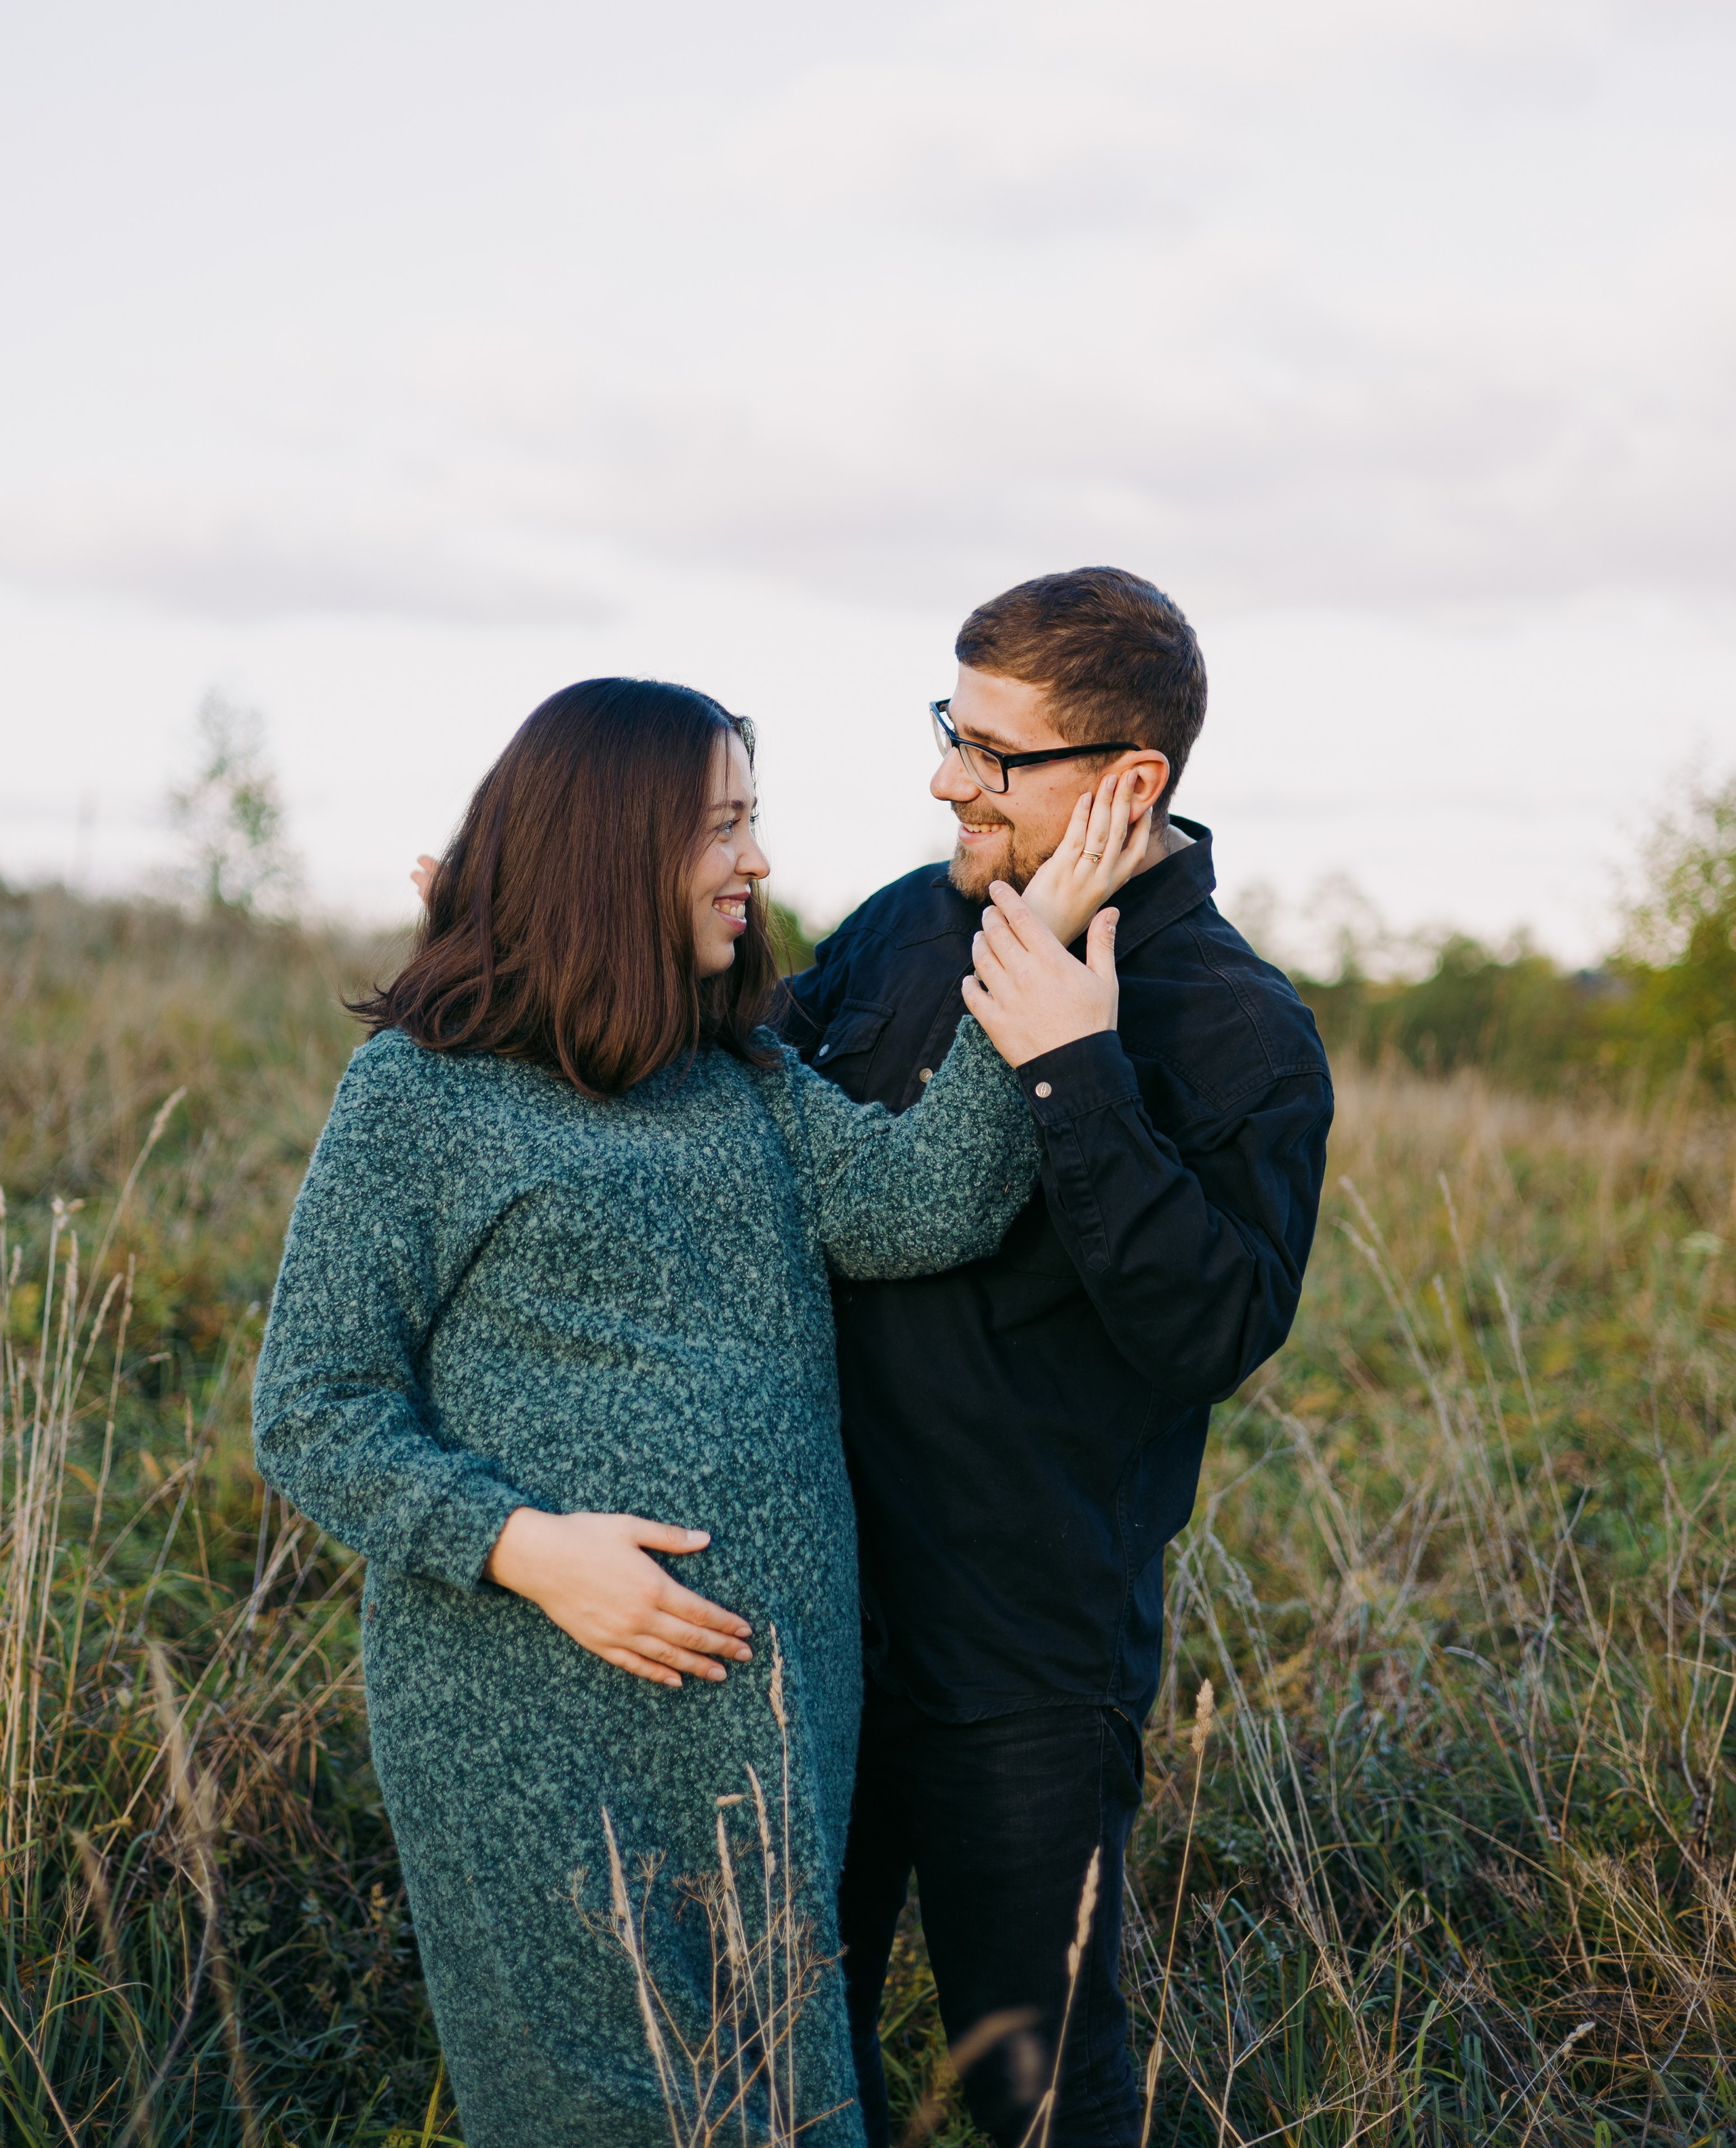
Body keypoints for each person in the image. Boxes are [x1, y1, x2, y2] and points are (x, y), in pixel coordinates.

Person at [255, 676, 1130, 2148]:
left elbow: (928, 1207)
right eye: (724, 827)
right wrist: (524, 1546)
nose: (757, 862)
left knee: (781, 2107)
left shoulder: (742, 1077)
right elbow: (314, 1406)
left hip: (769, 1733)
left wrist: (1031, 976)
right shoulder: (422, 1093)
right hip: (527, 1712)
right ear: (613, 850)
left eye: (752, 821)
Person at [785, 568, 1335, 2148]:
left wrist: (1072, 1072)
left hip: (1024, 1659)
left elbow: (1214, 1327)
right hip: (810, 1606)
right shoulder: (903, 922)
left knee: (1035, 2087)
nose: (945, 774)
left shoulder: (1236, 1029)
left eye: (989, 752)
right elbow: (752, 1118)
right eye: (946, 729)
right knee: (782, 2038)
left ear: (1128, 781)